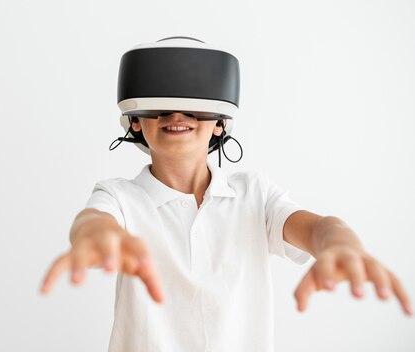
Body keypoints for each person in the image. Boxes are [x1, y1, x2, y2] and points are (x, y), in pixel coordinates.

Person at [39, 37, 412, 352]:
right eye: (160, 107)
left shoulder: (253, 195)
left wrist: (341, 245)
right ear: (135, 121)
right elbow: (94, 222)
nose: (176, 114)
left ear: (219, 123)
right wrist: (98, 237)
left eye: (195, 105)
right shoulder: (120, 198)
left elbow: (318, 228)